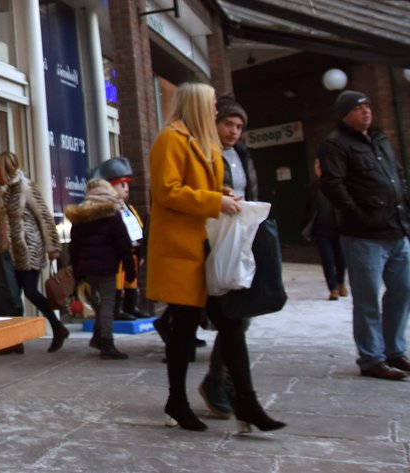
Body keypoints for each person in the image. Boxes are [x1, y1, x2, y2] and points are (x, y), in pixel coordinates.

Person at [148, 82, 284, 433]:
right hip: (182, 251)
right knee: (185, 330)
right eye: (210, 105)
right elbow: (167, 191)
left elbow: (192, 189)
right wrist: (214, 201)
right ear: (195, 105)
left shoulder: (202, 142)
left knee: (232, 324)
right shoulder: (170, 139)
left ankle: (247, 402)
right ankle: (178, 400)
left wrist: (217, 193)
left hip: (206, 249)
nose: (214, 111)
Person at [318, 90, 410, 381]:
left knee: (404, 290)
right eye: (358, 108)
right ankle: (371, 358)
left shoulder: (380, 139)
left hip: (397, 230)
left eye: (367, 105)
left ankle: (394, 351)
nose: (366, 111)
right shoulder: (335, 144)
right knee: (367, 298)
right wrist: (358, 214)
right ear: (345, 114)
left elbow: (397, 176)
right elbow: (333, 184)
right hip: (363, 236)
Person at [197, 94, 260, 420]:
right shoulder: (206, 153)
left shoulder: (241, 154)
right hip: (213, 238)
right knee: (232, 314)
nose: (234, 131)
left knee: (240, 313)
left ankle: (223, 379)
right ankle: (219, 381)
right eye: (228, 124)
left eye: (239, 126)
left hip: (239, 237)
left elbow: (251, 193)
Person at [0, 150, 69, 353]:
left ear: (3, 167)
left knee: (31, 292)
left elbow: (43, 215)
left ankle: (57, 327)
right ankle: (13, 341)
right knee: (11, 297)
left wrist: (53, 247)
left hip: (28, 249)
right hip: (7, 253)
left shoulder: (24, 186)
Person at [65, 178, 135, 359]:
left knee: (98, 303)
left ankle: (98, 337)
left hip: (87, 268)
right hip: (107, 266)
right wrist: (129, 267)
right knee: (108, 302)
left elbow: (74, 246)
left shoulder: (81, 216)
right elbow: (123, 243)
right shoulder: (112, 213)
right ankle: (107, 343)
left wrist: (77, 271)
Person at [88, 157, 145, 322]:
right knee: (118, 280)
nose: (126, 189)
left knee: (132, 279)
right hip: (117, 253)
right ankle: (117, 309)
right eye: (122, 185)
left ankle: (131, 305)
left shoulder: (129, 208)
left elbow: (138, 226)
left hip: (132, 250)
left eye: (126, 184)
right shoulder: (107, 209)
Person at [303, 159, 347, 300]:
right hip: (321, 229)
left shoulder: (337, 184)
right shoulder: (312, 187)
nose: (321, 169)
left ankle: (341, 282)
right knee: (327, 259)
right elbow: (308, 209)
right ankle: (332, 288)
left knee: (341, 258)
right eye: (318, 167)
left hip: (338, 228)